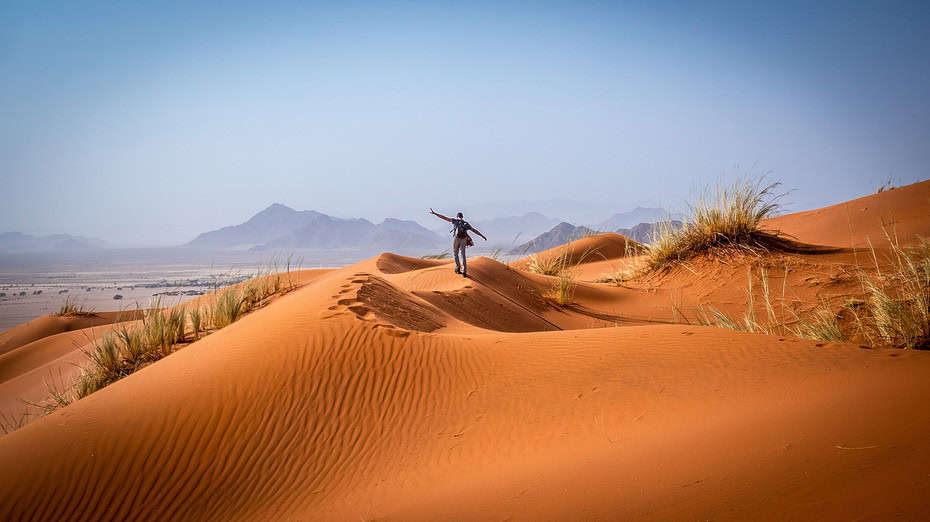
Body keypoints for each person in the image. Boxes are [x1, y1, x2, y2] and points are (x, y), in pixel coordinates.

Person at [429, 208, 487, 278]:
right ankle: (464, 271)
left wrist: (435, 213)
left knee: (455, 253)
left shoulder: (455, 221)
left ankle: (458, 268)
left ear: (457, 216)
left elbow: (444, 218)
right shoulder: (466, 223)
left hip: (456, 238)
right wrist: (482, 236)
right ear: (462, 217)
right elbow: (474, 230)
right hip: (464, 239)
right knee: (463, 255)